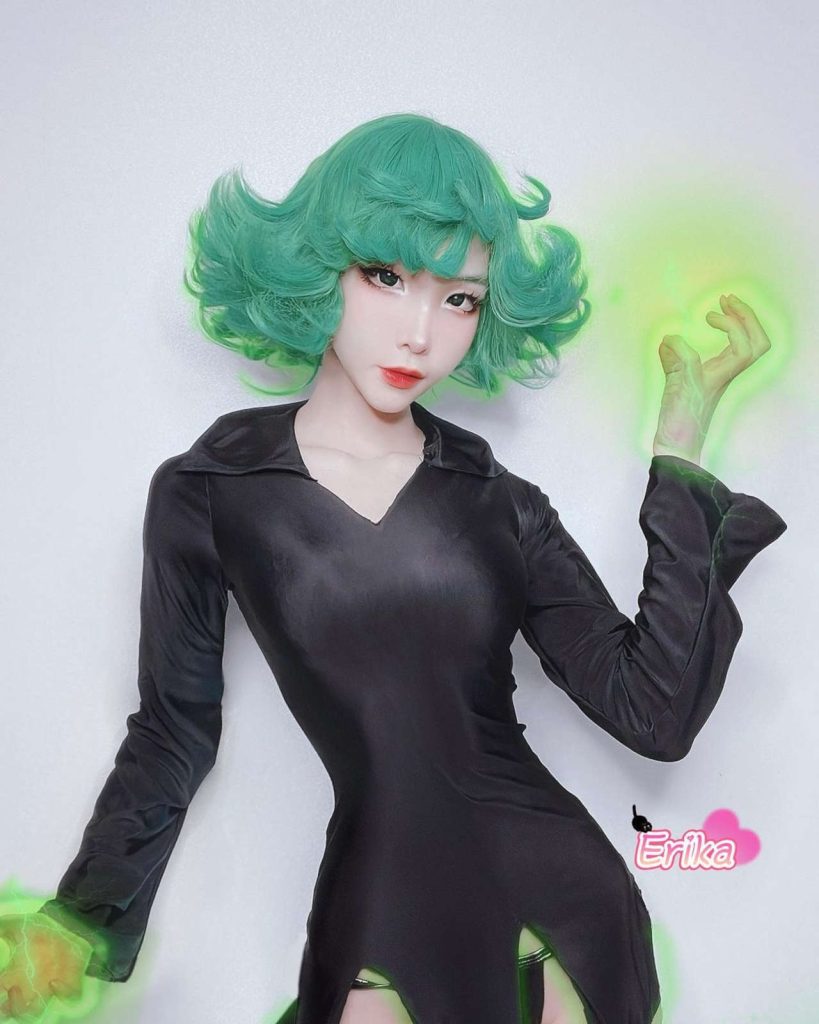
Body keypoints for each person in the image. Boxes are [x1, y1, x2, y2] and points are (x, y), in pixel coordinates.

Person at [0, 113, 787, 1024]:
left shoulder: (499, 501)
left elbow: (654, 713)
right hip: (378, 904)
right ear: (319, 269)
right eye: (387, 277)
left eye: (459, 299)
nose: (420, 333)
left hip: (557, 903)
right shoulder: (212, 491)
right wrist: (81, 919)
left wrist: (680, 446)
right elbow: (174, 732)